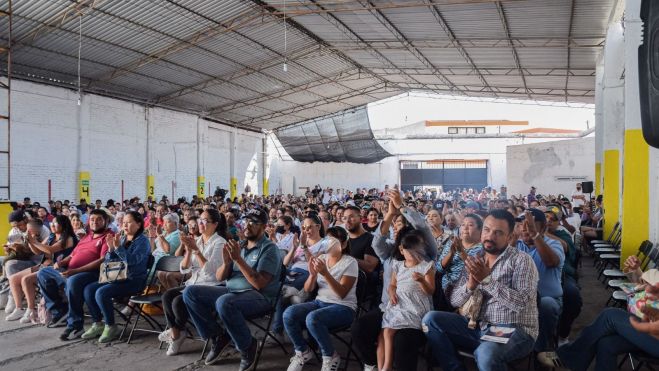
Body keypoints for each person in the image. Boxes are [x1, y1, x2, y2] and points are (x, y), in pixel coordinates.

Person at [422, 209, 539, 371]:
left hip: (511, 329)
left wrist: (487, 280)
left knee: (486, 353)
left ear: (510, 237)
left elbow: (521, 304)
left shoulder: (521, 261)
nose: (490, 236)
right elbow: (455, 300)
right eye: (487, 230)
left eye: (498, 232)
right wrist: (470, 286)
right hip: (478, 326)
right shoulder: (476, 259)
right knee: (430, 320)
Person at [182, 208, 282, 370]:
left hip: (259, 296)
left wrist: (238, 259)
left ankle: (247, 346)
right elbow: (221, 277)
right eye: (246, 222)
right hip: (231, 291)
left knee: (225, 302)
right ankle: (218, 336)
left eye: (253, 223)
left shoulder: (269, 249)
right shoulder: (240, 245)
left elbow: (259, 283)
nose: (247, 226)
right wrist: (228, 262)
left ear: (264, 226)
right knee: (190, 293)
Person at [351, 189, 437, 371]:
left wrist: (401, 206)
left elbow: (422, 227)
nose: (397, 227)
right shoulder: (391, 252)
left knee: (402, 341)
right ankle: (372, 364)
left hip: (414, 310)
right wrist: (390, 214)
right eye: (395, 224)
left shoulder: (426, 254)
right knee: (359, 328)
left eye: (401, 224)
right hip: (389, 307)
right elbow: (377, 243)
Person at [284, 226, 358, 371]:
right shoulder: (322, 258)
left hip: (343, 307)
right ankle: (303, 351)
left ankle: (330, 356)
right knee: (289, 314)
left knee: (313, 318)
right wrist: (312, 275)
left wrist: (325, 273)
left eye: (333, 241)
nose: (329, 244)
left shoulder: (350, 262)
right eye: (327, 240)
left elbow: (342, 293)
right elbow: (307, 289)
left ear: (343, 244)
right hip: (320, 302)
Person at [158, 209, 228, 356]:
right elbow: (184, 269)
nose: (200, 224)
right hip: (194, 283)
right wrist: (189, 251)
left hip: (212, 285)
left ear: (215, 224)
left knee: (178, 302)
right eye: (200, 220)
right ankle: (177, 333)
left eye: (205, 221)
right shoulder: (197, 240)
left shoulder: (219, 242)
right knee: (167, 296)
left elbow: (211, 272)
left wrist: (196, 251)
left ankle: (178, 334)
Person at [36, 209, 112, 339]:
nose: (95, 222)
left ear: (106, 221)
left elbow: (102, 260)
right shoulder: (87, 237)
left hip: (92, 274)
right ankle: (59, 311)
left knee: (73, 281)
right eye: (92, 219)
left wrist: (75, 271)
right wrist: (61, 263)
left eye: (99, 219)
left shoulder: (108, 236)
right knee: (43, 272)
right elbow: (72, 255)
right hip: (71, 271)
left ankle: (74, 324)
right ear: (88, 221)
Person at [79, 211, 150, 343]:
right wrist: (111, 249)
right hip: (117, 276)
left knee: (101, 292)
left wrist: (118, 248)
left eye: (128, 222)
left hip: (134, 281)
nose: (125, 225)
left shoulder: (143, 242)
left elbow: (133, 261)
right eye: (123, 223)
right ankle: (98, 323)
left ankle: (111, 325)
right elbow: (109, 262)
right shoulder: (122, 238)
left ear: (139, 224)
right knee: (88, 289)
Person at [378, 233, 435, 371]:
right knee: (387, 331)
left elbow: (430, 291)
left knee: (389, 332)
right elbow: (392, 285)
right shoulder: (398, 265)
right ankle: (386, 366)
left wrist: (421, 280)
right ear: (401, 250)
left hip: (415, 305)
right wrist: (391, 293)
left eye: (415, 249)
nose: (412, 253)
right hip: (399, 303)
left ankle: (387, 366)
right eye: (408, 249)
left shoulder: (426, 266)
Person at [5, 216, 77, 323]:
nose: (51, 225)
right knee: (13, 279)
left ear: (62, 224)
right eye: (51, 223)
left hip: (58, 269)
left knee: (26, 280)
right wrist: (30, 241)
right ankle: (18, 308)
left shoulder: (69, 238)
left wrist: (34, 241)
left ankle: (31, 310)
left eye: (54, 223)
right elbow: (38, 252)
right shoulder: (52, 236)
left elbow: (50, 250)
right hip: (44, 265)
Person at [516, 208, 565, 353]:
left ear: (542, 228)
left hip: (547, 300)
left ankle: (542, 351)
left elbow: (551, 262)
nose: (525, 229)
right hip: (519, 300)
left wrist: (534, 235)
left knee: (546, 304)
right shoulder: (517, 245)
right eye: (521, 225)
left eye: (530, 225)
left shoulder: (554, 244)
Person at [437, 214, 483, 292]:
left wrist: (461, 251)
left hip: (468, 291)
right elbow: (439, 268)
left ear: (480, 230)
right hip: (446, 288)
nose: (465, 228)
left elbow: (478, 274)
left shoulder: (483, 248)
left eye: (470, 225)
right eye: (463, 225)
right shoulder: (452, 242)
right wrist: (451, 253)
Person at [343, 206, 378, 274]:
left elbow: (370, 267)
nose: (347, 221)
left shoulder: (371, 239)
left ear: (361, 218)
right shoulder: (343, 238)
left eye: (351, 217)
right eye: (345, 218)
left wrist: (345, 257)